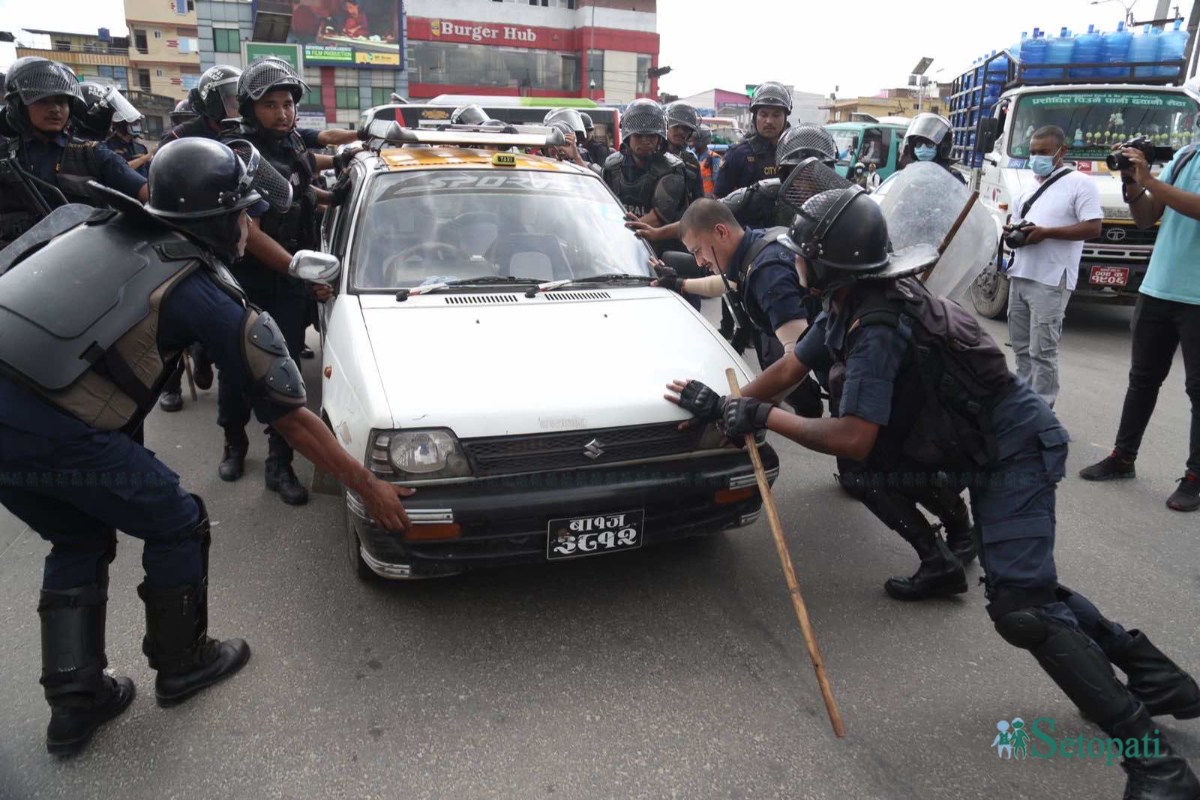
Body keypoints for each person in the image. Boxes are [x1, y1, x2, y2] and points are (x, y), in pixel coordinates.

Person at [667, 187, 1200, 799]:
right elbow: (790, 369)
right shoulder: (849, 300)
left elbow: (854, 438)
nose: (795, 263)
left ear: (827, 261)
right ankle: (1158, 679)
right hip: (976, 445)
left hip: (1014, 452)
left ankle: (1156, 766)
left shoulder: (878, 321)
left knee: (1021, 610)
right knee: (1024, 585)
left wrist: (761, 420)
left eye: (803, 253)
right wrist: (733, 406)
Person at [0, 137, 413, 757]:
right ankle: (183, 662)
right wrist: (370, 486)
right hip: (58, 430)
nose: (253, 223)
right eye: (246, 212)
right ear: (222, 218)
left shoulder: (100, 228)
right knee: (177, 521)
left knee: (79, 536)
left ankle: (74, 701)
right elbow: (293, 419)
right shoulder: (202, 291)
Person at [216, 56, 347, 505]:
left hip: (291, 281)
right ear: (250, 107)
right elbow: (246, 231)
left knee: (285, 374)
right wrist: (296, 266)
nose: (282, 112)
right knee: (236, 373)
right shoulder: (235, 151)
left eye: (288, 103)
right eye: (270, 104)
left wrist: (340, 192)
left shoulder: (292, 147)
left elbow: (306, 199)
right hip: (247, 281)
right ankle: (235, 444)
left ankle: (280, 463)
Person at [1079, 130, 1200, 511]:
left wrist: (1149, 180)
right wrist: (1132, 184)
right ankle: (1123, 457)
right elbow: (1148, 218)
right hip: (1158, 287)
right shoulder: (1186, 154)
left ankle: (1195, 477)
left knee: (1199, 391)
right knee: (1142, 380)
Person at [654, 199, 823, 418]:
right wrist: (680, 284)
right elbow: (726, 283)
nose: (698, 262)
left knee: (774, 354)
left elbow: (797, 360)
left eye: (697, 251)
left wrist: (732, 409)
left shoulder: (768, 273)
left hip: (853, 372)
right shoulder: (756, 246)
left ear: (721, 232)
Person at [0, 58, 148, 250]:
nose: (55, 109)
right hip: (16, 271)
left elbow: (146, 192)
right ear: (19, 105)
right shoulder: (5, 158)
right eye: (42, 100)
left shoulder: (92, 153)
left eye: (61, 101)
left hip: (82, 266)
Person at [1004, 125, 1101, 409]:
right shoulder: (1029, 185)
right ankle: (1023, 404)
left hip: (1051, 279)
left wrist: (1047, 232)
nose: (1037, 158)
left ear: (1061, 152)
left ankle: (1042, 410)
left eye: (1044, 152)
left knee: (1042, 351)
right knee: (1021, 348)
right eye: (1033, 152)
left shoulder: (1080, 184)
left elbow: (1094, 227)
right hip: (1020, 274)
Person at [600, 98, 690, 258]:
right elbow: (601, 208)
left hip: (658, 252)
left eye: (651, 136)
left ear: (659, 138)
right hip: (613, 245)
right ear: (628, 136)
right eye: (639, 136)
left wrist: (619, 233)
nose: (645, 141)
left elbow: (658, 218)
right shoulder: (612, 166)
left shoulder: (672, 169)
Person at [713, 80, 791, 198]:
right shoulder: (737, 154)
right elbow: (719, 199)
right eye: (763, 115)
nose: (769, 121)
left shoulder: (794, 153)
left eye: (776, 115)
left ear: (785, 117)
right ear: (755, 117)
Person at [160, 64, 241, 145]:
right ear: (214, 104)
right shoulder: (180, 137)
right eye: (235, 105)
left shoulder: (245, 131)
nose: (241, 111)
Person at [900, 112, 965, 184]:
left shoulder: (952, 177)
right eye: (919, 144)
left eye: (929, 144)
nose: (923, 148)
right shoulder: (909, 172)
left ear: (943, 146)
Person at [663, 101, 703, 202]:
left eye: (686, 129)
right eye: (676, 126)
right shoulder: (652, 156)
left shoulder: (692, 161)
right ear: (666, 126)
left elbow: (698, 200)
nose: (681, 132)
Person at [692, 124, 721, 197]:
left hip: (708, 199)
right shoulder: (691, 156)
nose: (692, 142)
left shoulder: (714, 158)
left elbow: (717, 181)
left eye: (695, 139)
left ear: (702, 140)